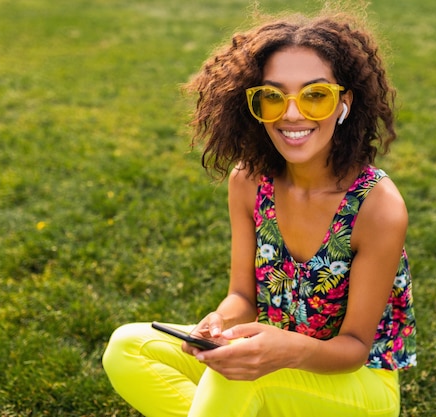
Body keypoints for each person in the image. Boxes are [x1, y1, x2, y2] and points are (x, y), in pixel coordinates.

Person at [102, 5, 416, 417]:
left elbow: (355, 348)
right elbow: (242, 297)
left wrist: (287, 351)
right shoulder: (249, 181)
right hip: (271, 358)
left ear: (344, 103)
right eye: (272, 96)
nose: (291, 113)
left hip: (356, 384)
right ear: (254, 104)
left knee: (236, 378)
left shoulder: (378, 206)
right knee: (128, 347)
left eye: (315, 95)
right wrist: (218, 322)